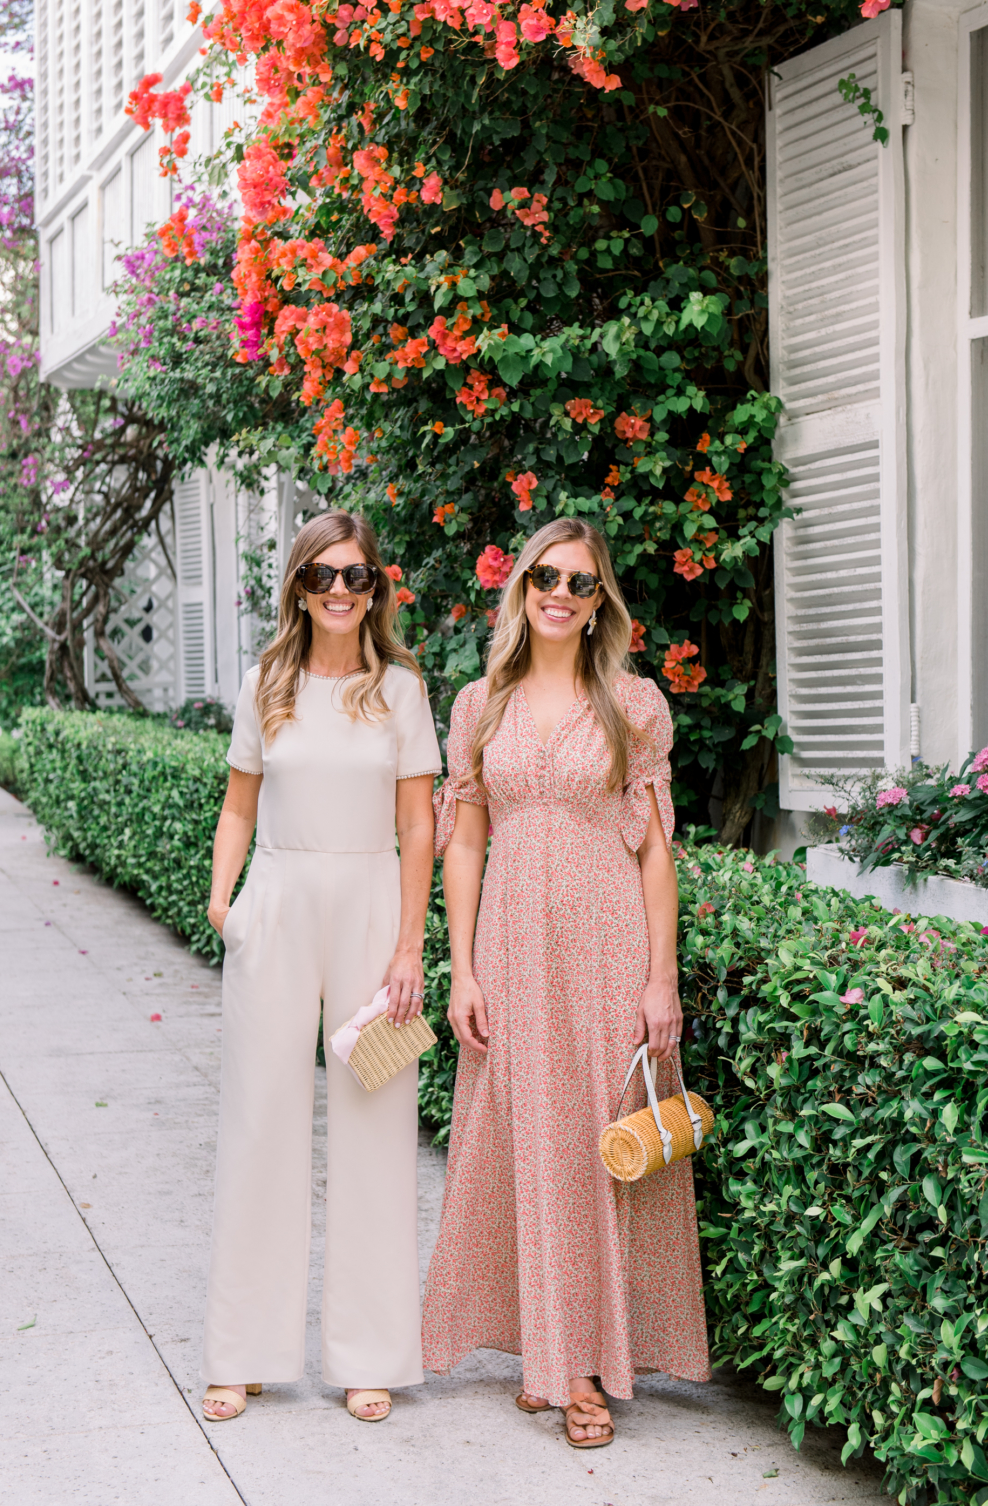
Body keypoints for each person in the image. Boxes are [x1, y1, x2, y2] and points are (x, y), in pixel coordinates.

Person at [421, 517, 709, 1448]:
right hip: (510, 946)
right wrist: (461, 966)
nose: (559, 592)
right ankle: (548, 1346)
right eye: (545, 575)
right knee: (524, 1143)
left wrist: (661, 980)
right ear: (522, 589)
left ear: (598, 606)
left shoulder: (636, 706)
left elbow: (657, 851)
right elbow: (463, 842)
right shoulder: (479, 706)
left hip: (608, 945)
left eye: (580, 584)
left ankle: (582, 1369)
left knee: (596, 1151)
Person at [201, 509, 441, 1425]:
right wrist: (226, 902)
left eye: (356, 576)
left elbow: (420, 825)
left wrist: (411, 945)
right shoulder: (268, 682)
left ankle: (370, 1354)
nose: (340, 591)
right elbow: (237, 807)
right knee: (260, 1121)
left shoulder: (403, 693)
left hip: (375, 911)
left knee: (375, 1124)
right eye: (321, 576)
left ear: (376, 588)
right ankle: (243, 1351)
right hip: (278, 905)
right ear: (298, 586)